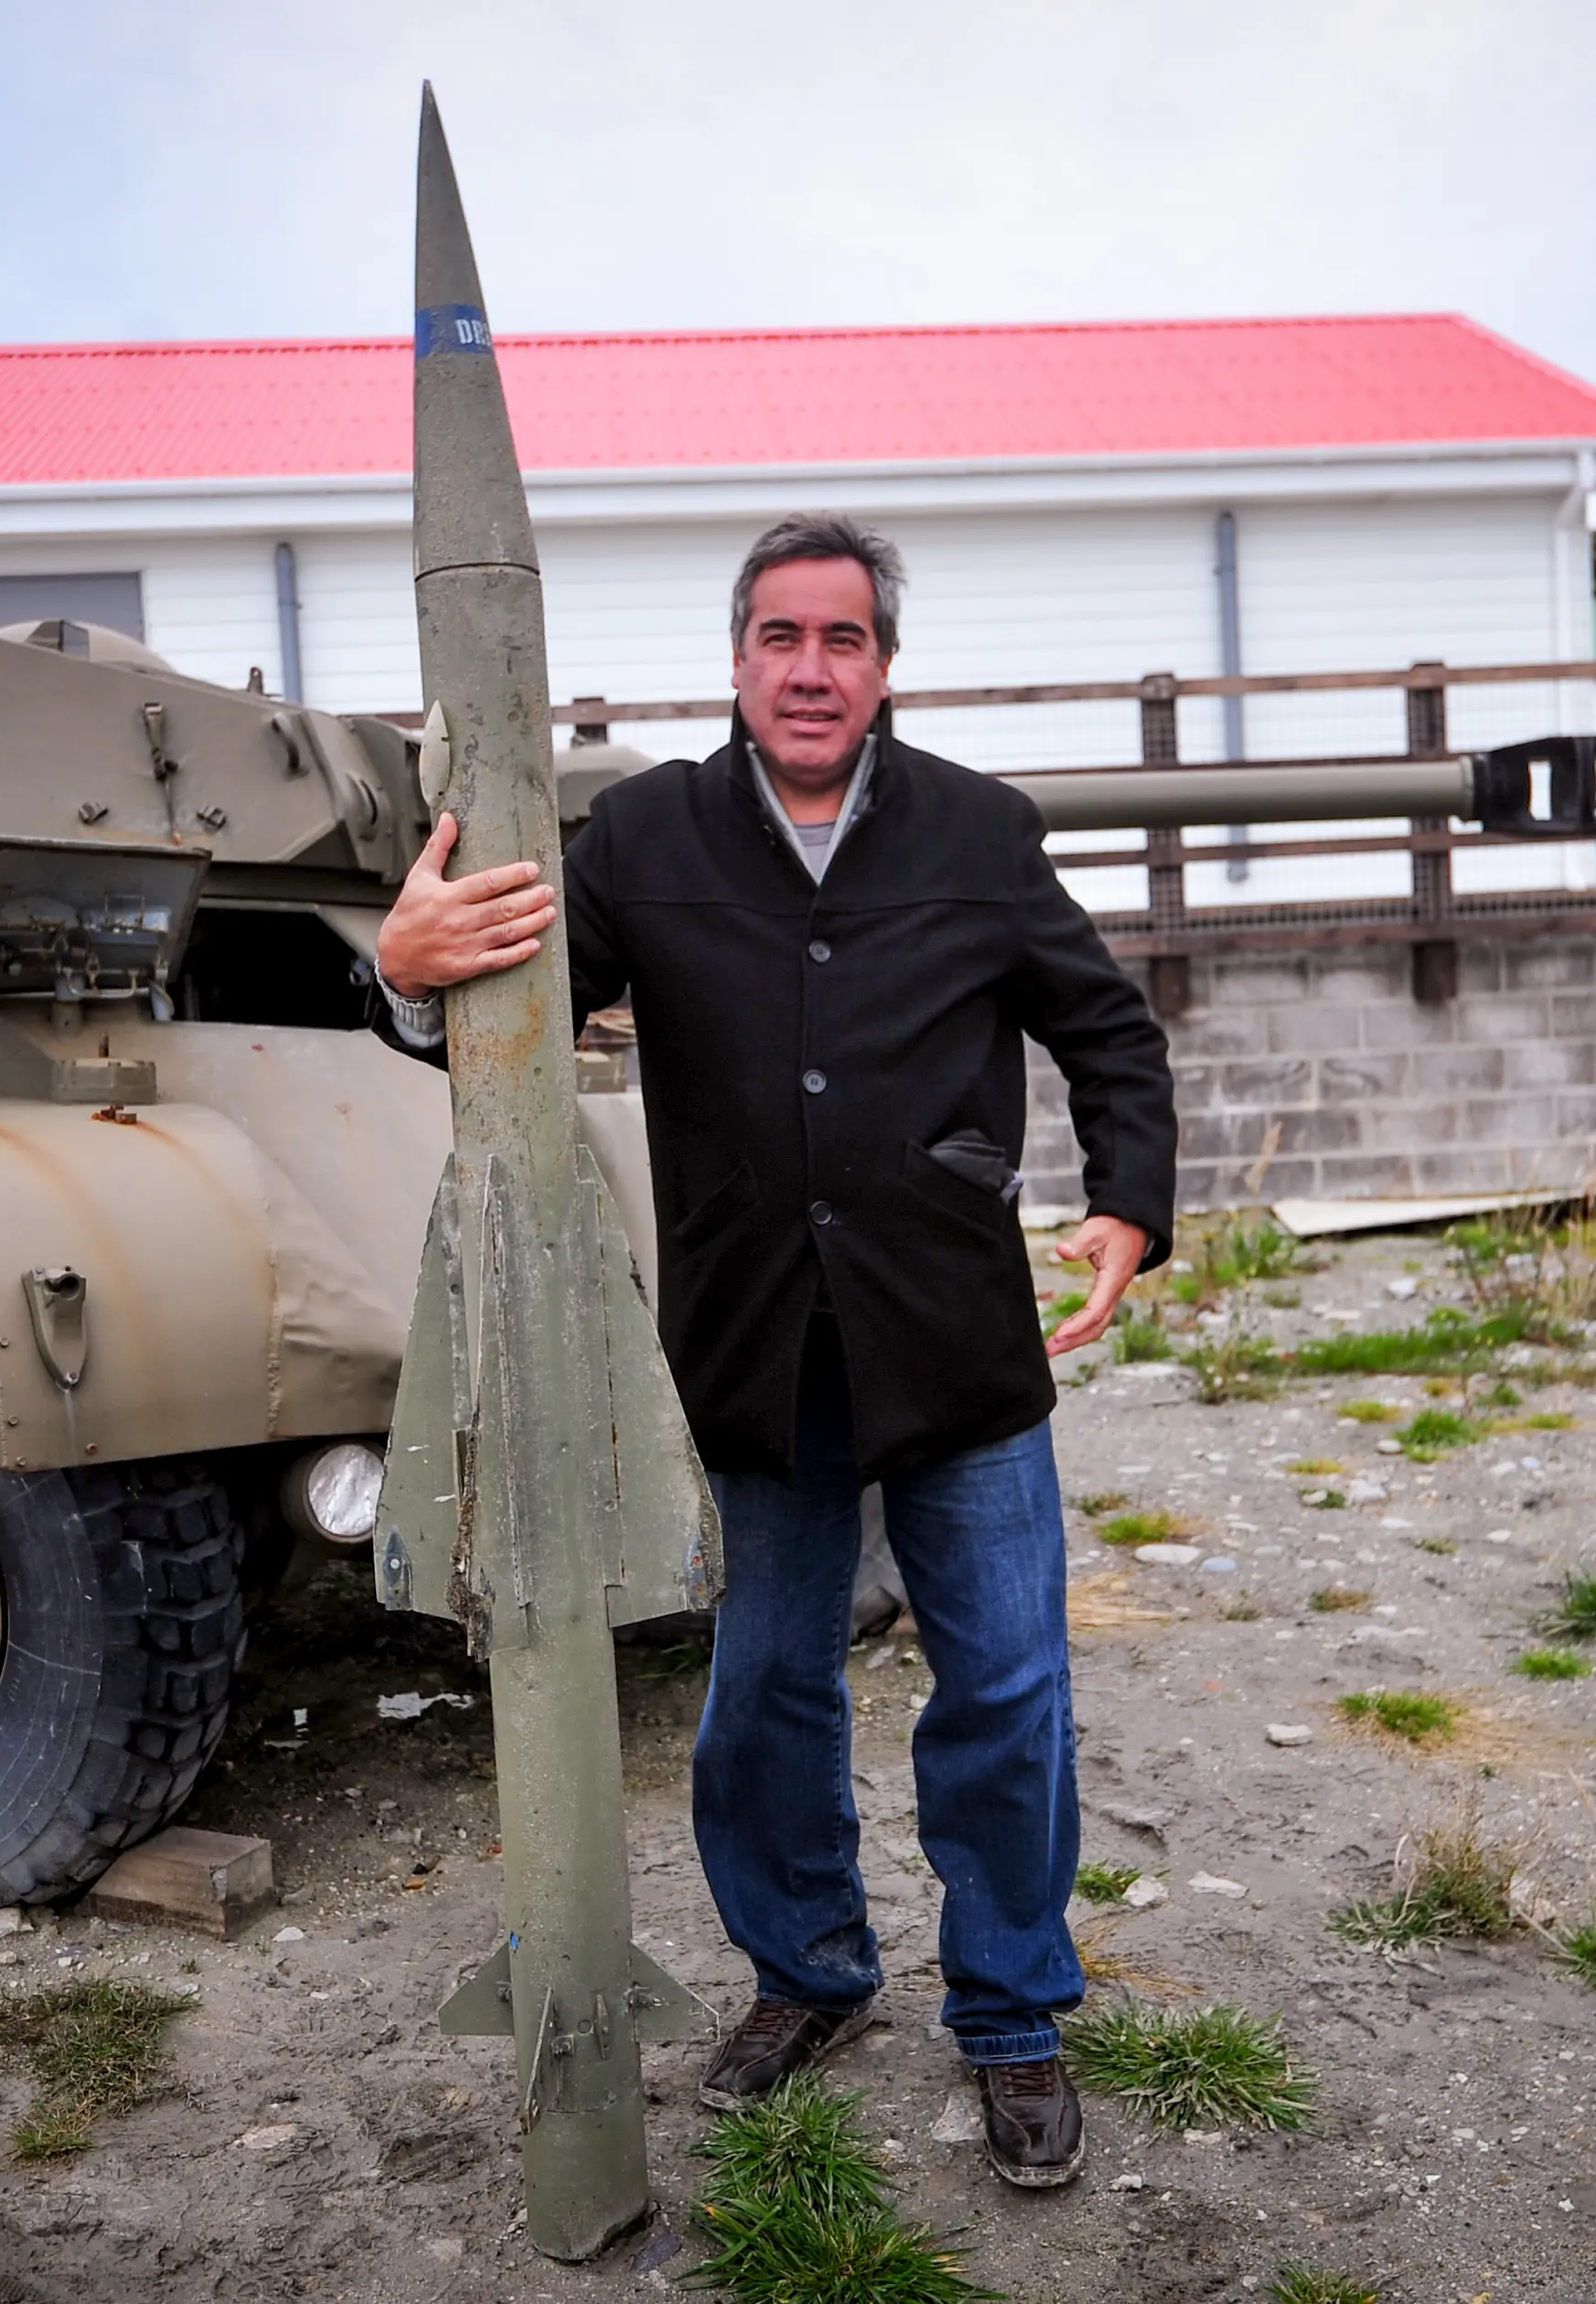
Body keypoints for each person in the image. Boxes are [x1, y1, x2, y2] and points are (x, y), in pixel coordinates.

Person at [372, 512, 1176, 2189]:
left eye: (845, 639)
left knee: (1010, 1687)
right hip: (751, 1340)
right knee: (762, 1695)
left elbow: (1104, 1024)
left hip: (952, 1336)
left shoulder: (977, 829)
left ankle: (1014, 2015)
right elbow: (498, 1003)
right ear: (734, 658)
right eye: (779, 638)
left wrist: (1129, 1205)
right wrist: (401, 975)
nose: (811, 670)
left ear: (886, 663)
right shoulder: (647, 834)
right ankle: (807, 1973)